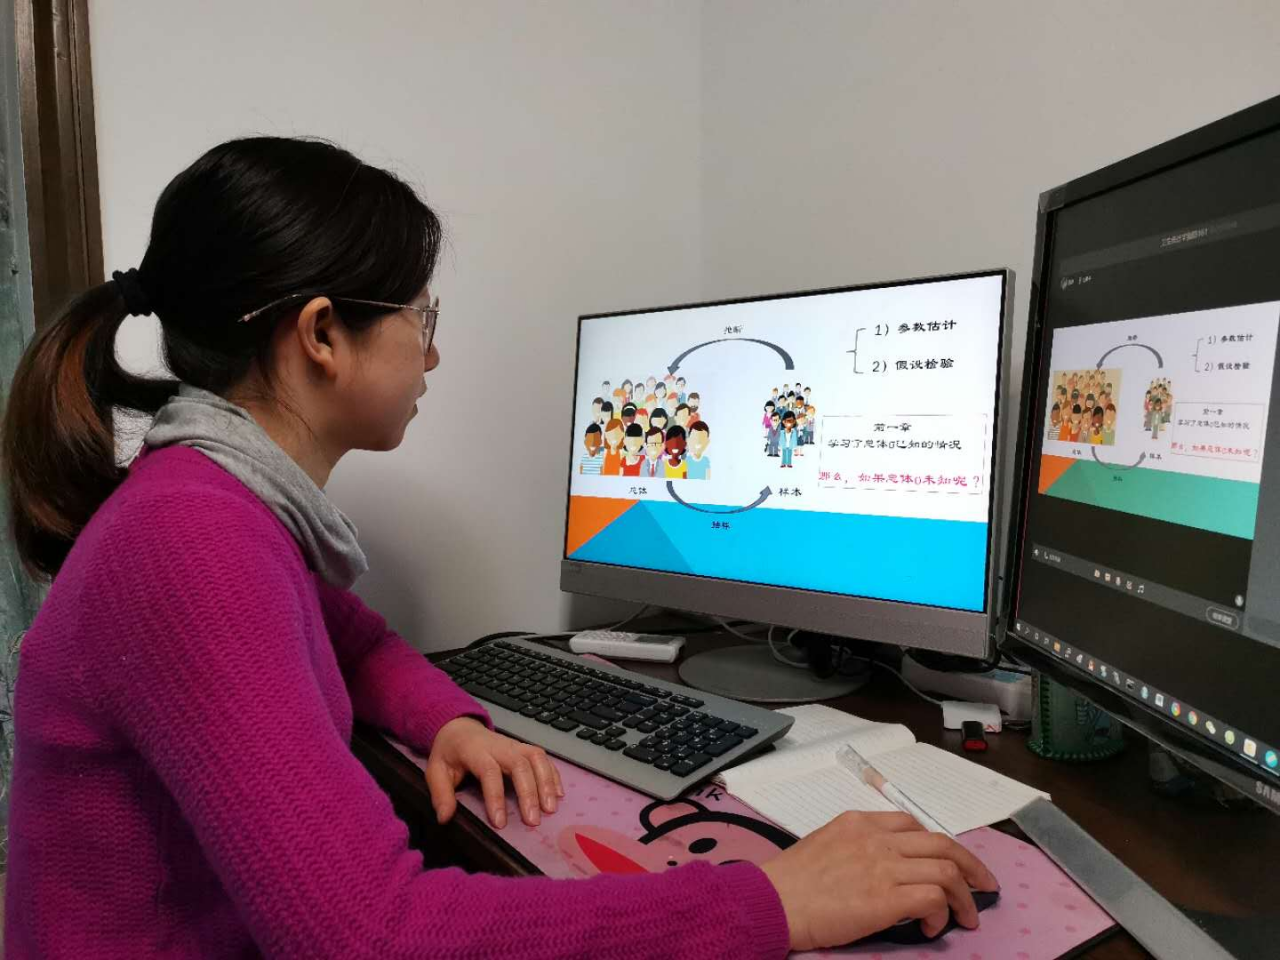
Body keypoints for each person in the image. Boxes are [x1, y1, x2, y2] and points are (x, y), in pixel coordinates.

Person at [3, 136, 995, 958]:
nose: (431, 352)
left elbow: (357, 643)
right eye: (418, 317)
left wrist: (450, 721)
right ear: (322, 335)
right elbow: (373, 935)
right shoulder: (191, 546)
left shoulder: (211, 508)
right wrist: (775, 901)